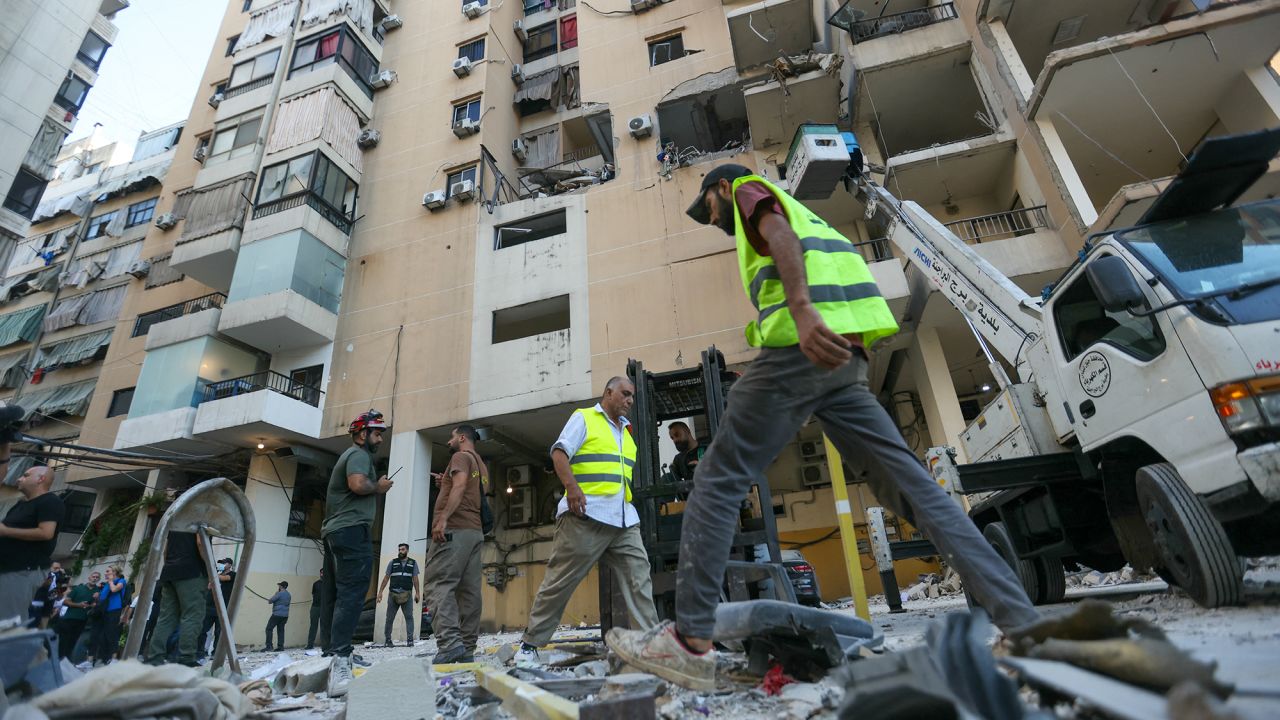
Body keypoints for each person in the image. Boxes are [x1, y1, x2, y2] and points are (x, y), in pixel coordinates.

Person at [605, 163, 1043, 690]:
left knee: (717, 480)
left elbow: (780, 238)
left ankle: (688, 640)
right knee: (918, 492)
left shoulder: (749, 191)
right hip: (844, 360)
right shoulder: (817, 225)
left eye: (710, 208)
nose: (713, 219)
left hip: (801, 346)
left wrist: (801, 310)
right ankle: (1022, 623)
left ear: (723, 188)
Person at [514, 378, 659, 665]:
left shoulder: (627, 435)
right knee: (560, 582)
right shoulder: (585, 418)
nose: (630, 400)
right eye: (625, 394)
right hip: (585, 517)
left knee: (639, 579)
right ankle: (530, 646)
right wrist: (572, 488)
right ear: (608, 393)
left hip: (623, 521)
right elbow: (559, 452)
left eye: (633, 396)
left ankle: (653, 647)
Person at [320, 409, 393, 697]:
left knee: (336, 592)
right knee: (352, 591)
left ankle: (336, 651)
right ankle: (341, 656)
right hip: (351, 530)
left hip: (336, 531)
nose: (380, 439)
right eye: (377, 433)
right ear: (362, 434)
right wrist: (380, 487)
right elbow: (358, 484)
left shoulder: (350, 454)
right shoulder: (359, 455)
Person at [422, 425, 487, 664]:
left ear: (461, 438)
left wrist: (443, 519)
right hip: (474, 531)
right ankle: (467, 648)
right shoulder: (480, 463)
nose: (449, 441)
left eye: (452, 437)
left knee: (438, 583)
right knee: (469, 591)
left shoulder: (460, 457)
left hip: (455, 530)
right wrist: (445, 483)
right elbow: (470, 490)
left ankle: (449, 644)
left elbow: (460, 487)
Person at [0, 465, 65, 626]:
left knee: (9, 620)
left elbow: (46, 532)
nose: (18, 478)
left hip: (23, 570)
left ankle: (22, 650)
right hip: (7, 569)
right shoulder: (20, 504)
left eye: (25, 475)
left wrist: (6, 531)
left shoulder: (50, 501)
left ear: (40, 479)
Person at [144, 531, 208, 666]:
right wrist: (211, 567)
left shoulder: (178, 519)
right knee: (192, 615)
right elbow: (200, 542)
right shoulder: (202, 514)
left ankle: (154, 657)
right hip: (192, 572)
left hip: (169, 572)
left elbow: (165, 550)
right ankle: (186, 657)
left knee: (166, 618)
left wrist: (170, 566)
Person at [376, 543, 419, 647]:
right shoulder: (393, 562)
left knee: (409, 617)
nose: (400, 551)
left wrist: (418, 593)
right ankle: (388, 640)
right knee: (389, 618)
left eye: (403, 549)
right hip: (393, 595)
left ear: (407, 550)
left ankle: (410, 640)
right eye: (399, 549)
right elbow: (386, 578)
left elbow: (415, 579)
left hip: (407, 595)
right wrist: (380, 592)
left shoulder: (413, 563)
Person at [198, 557, 236, 660]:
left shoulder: (232, 575)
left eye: (224, 563)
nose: (222, 565)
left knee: (219, 632)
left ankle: (216, 653)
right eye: (221, 563)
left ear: (229, 565)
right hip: (209, 607)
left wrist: (213, 574)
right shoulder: (216, 575)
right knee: (202, 630)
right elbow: (209, 586)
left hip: (223, 608)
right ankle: (200, 652)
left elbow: (224, 578)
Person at [90, 565, 128, 666]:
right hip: (104, 612)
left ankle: (114, 659)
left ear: (114, 572)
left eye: (108, 571)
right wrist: (97, 597)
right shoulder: (106, 584)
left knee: (112, 634)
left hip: (114, 610)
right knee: (103, 636)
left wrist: (111, 581)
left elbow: (114, 590)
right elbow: (103, 599)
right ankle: (103, 659)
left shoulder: (121, 581)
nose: (106, 573)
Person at [59, 571, 99, 659]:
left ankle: (66, 661)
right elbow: (65, 601)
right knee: (63, 641)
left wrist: (95, 603)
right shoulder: (78, 588)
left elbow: (97, 606)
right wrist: (79, 605)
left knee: (73, 641)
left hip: (83, 620)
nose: (95, 578)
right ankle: (57, 660)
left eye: (97, 577)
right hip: (69, 618)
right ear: (89, 577)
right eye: (93, 576)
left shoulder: (98, 592)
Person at [264, 581, 291, 651]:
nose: (278, 587)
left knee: (269, 629)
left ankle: (269, 646)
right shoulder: (289, 595)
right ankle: (280, 646)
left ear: (281, 586)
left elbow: (271, 601)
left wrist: (275, 595)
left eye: (279, 586)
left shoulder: (279, 594)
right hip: (285, 615)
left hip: (277, 614)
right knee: (281, 630)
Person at [306, 569, 325, 650]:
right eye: (321, 572)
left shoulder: (329, 583)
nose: (322, 574)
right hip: (315, 606)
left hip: (325, 607)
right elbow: (313, 594)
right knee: (313, 626)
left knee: (324, 626)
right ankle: (310, 644)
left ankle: (325, 644)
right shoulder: (316, 584)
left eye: (324, 572)